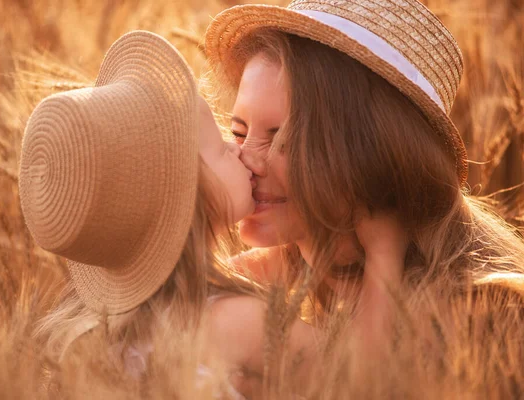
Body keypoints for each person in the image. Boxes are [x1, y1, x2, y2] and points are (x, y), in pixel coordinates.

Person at [204, 0, 524, 352]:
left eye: (283, 140)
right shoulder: (296, 268)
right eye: (238, 132)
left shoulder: (485, 315)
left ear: (369, 155)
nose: (246, 160)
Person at [19, 30, 324, 399]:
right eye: (220, 143)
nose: (238, 149)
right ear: (189, 191)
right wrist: (385, 251)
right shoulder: (250, 323)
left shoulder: (100, 336)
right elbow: (371, 376)